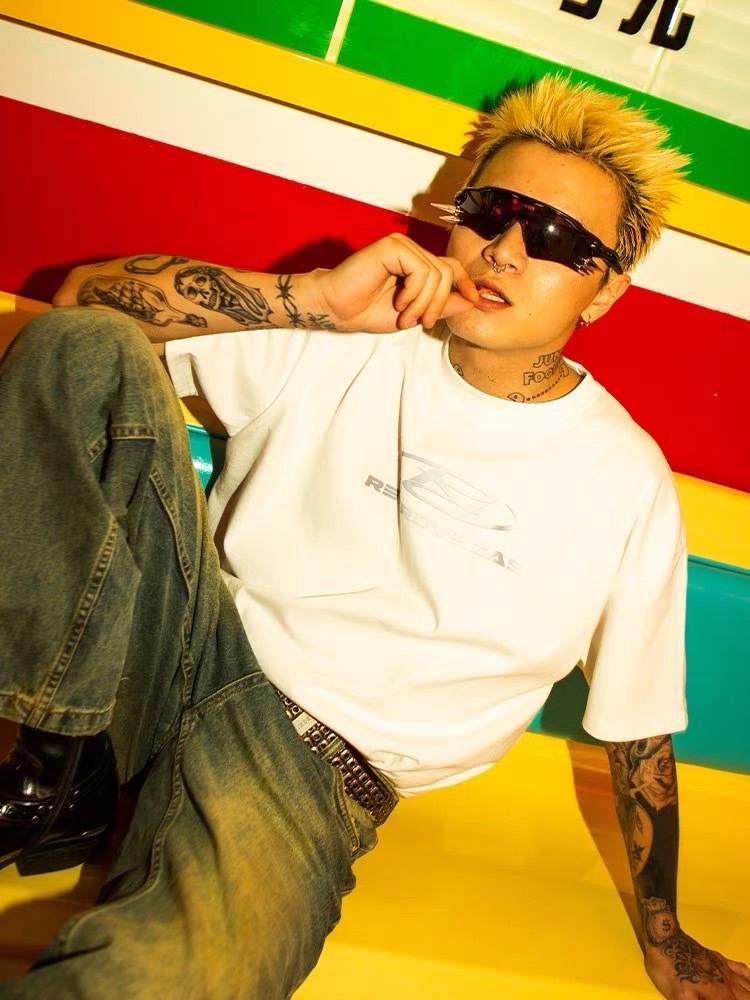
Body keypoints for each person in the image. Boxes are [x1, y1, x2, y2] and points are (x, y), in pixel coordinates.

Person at [0, 75, 747, 998]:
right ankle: (56, 766)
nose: (507, 250)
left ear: (605, 293)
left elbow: (640, 734)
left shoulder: (622, 480)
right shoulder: (351, 332)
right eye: (493, 212)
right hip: (170, 646)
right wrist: (312, 298)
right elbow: (84, 307)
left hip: (305, 769)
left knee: (155, 985)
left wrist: (667, 936)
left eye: (557, 239)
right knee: (81, 349)